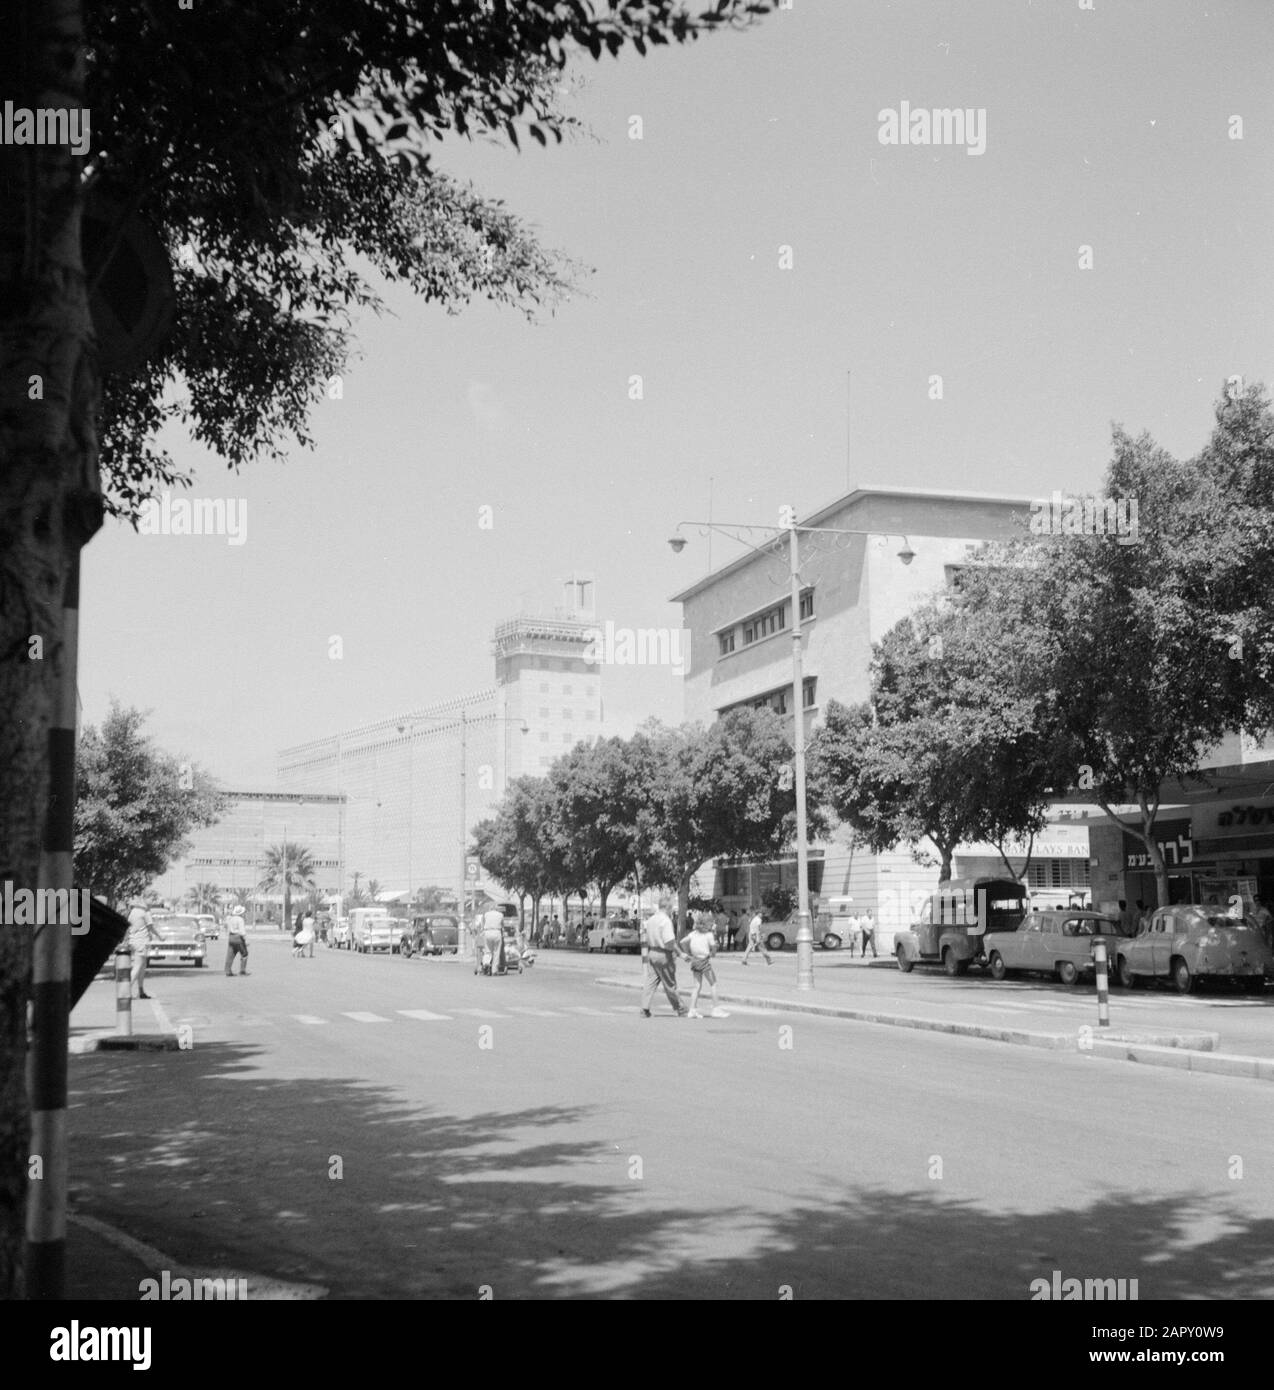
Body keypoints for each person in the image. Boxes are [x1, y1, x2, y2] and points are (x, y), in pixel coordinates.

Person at [641, 894, 689, 1018]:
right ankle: (681, 1008)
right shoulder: (666, 921)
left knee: (650, 982)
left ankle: (644, 1008)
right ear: (668, 907)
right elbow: (670, 942)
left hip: (652, 953)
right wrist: (680, 954)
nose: (672, 910)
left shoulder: (651, 920)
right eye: (672, 907)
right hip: (664, 955)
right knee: (670, 984)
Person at [684, 917, 728, 1019]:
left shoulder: (693, 934)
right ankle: (716, 1008)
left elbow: (682, 941)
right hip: (704, 961)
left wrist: (687, 952)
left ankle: (692, 1009)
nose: (712, 925)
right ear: (706, 924)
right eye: (710, 924)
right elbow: (713, 947)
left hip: (695, 961)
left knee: (697, 986)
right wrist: (713, 953)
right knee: (713, 983)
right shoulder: (709, 935)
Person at [126, 897, 163, 999]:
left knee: (142, 968)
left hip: (133, 941)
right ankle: (125, 991)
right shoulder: (145, 912)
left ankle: (141, 991)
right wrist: (160, 937)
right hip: (141, 942)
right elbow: (151, 927)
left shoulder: (133, 911)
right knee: (137, 967)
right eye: (152, 901)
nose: (152, 903)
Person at [224, 907, 249, 976]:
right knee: (244, 954)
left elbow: (226, 928)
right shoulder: (240, 919)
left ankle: (228, 971)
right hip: (238, 938)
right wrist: (245, 940)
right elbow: (242, 931)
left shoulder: (230, 919)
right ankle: (242, 970)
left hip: (231, 937)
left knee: (230, 955)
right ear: (241, 913)